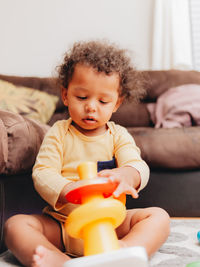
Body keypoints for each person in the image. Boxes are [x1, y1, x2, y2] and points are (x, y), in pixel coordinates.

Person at [4, 40, 170, 267]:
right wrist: (66, 189)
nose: (92, 106)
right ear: (65, 95)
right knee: (15, 226)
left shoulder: (118, 135)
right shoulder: (59, 133)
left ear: (117, 103)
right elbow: (42, 172)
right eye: (82, 97)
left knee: (158, 216)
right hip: (64, 225)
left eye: (103, 101)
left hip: (111, 224)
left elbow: (136, 163)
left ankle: (125, 250)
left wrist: (128, 175)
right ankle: (58, 260)